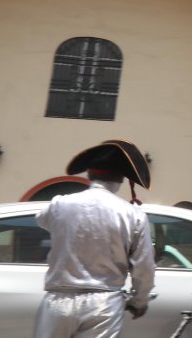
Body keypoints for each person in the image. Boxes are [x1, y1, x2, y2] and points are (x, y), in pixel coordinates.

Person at [34, 139, 155, 338]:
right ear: (120, 179)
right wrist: (139, 301)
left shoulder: (59, 205)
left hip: (58, 301)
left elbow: (42, 219)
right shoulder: (134, 215)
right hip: (104, 304)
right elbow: (144, 267)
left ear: (89, 174)